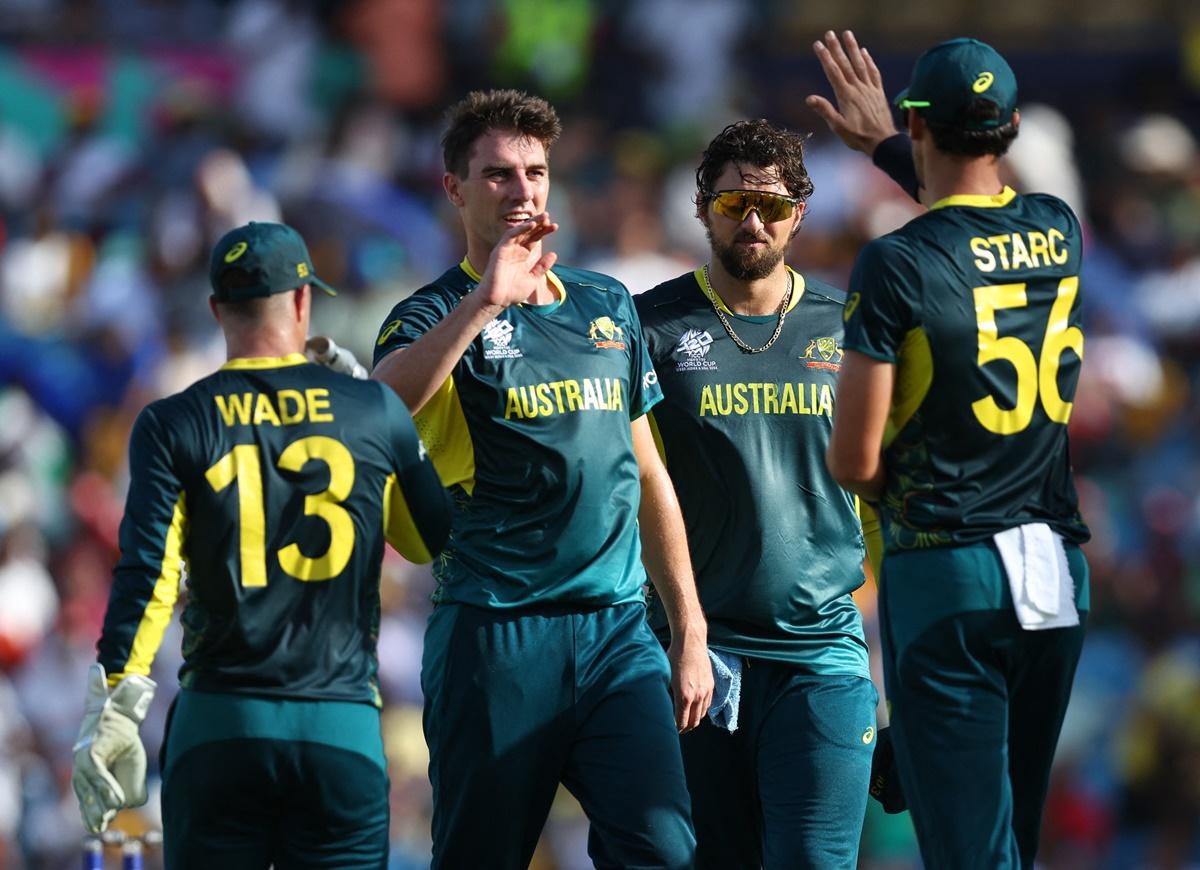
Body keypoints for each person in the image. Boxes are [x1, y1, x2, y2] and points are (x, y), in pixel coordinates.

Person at [370, 89, 711, 869]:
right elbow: (378, 406)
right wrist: (486, 301)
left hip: (617, 633)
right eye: (497, 175)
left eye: (535, 171)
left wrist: (687, 625)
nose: (522, 191)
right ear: (454, 187)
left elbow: (647, 470)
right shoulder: (433, 313)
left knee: (664, 849)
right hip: (496, 633)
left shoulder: (606, 304)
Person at [71, 221, 452, 869]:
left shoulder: (173, 421)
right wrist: (379, 426)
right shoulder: (372, 410)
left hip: (221, 720)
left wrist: (115, 703)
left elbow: (149, 574)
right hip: (340, 725)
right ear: (303, 302)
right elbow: (428, 538)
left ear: (217, 309)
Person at [817, 34, 1091, 869]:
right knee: (1013, 844)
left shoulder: (894, 263)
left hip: (948, 566)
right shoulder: (1060, 229)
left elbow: (853, 460)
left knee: (969, 852)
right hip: (1055, 571)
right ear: (1008, 130)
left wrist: (887, 147)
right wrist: (892, 147)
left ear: (916, 123)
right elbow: (976, 224)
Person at [633, 118, 880, 869]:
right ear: (702, 205)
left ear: (799, 215)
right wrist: (684, 633)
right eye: (734, 203)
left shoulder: (847, 324)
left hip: (823, 653)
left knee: (813, 859)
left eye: (771, 207)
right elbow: (635, 488)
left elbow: (888, 484)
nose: (753, 222)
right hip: (697, 654)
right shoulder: (651, 326)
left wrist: (865, 606)